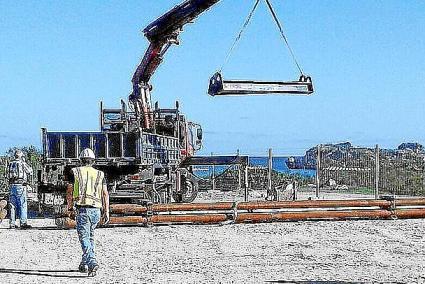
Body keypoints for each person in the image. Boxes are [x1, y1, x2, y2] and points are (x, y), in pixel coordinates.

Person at [67, 148, 109, 277]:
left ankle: (92, 262)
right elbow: (105, 194)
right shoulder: (100, 174)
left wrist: (69, 208)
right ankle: (84, 264)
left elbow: (69, 192)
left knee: (84, 237)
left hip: (83, 209)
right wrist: (106, 211)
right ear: (93, 161)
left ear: (80, 160)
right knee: (90, 236)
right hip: (96, 210)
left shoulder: (75, 172)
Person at [7, 149, 33, 229]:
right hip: (20, 185)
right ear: (21, 155)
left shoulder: (10, 164)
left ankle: (12, 223)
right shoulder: (22, 163)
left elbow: (6, 175)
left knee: (12, 205)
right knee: (22, 204)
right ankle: (23, 223)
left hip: (11, 185)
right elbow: (30, 171)